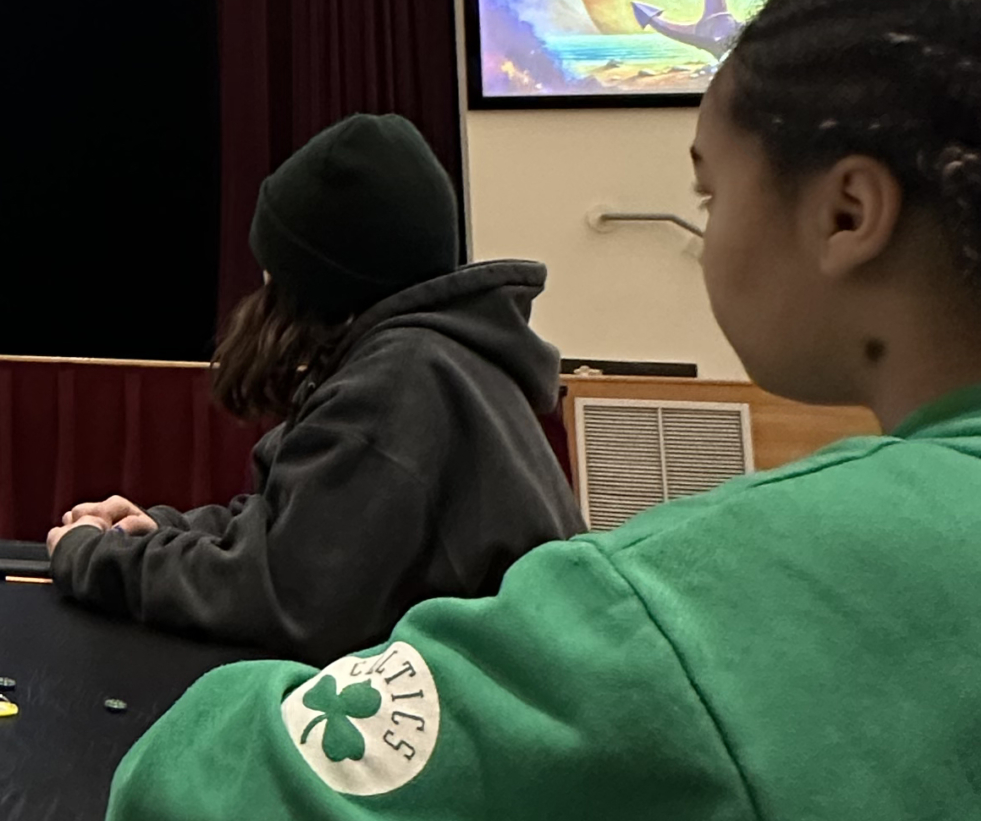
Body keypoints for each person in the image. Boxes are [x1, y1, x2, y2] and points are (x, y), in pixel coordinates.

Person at [100, 0, 981, 821]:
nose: (708, 230)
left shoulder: (694, 611)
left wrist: (116, 569)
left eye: (711, 194)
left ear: (847, 213)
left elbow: (197, 800)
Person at [48, 113, 581, 663]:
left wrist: (95, 560)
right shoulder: (431, 360)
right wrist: (155, 528)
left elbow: (285, 599)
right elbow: (294, 525)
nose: (264, 282)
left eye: (275, 264)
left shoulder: (400, 382)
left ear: (320, 274)